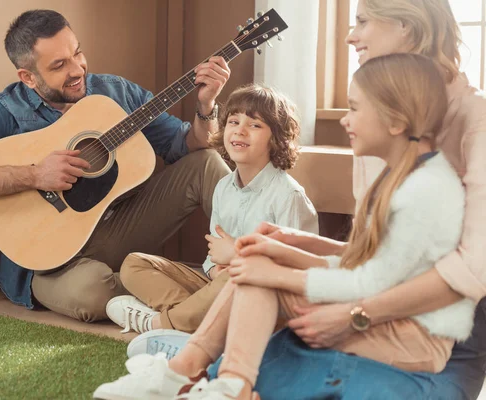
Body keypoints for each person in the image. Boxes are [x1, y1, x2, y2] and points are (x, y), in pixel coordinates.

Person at [93, 53, 476, 400]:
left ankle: (201, 372)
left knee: (261, 273)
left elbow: (373, 282)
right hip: (385, 316)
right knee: (260, 262)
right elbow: (366, 258)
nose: (345, 119)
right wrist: (287, 243)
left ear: (395, 120)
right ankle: (220, 380)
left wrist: (283, 268)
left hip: (413, 340)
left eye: (356, 109)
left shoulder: (427, 191)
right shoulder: (397, 177)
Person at [215, 1, 486, 399]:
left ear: (408, 27)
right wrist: (298, 243)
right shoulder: (377, 124)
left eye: (362, 21)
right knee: (227, 367)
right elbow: (381, 256)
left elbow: (473, 269)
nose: (349, 35)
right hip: (368, 302)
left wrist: (355, 316)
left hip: (441, 338)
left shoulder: (474, 123)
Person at [0, 9, 232, 322]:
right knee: (91, 294)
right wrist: (34, 175)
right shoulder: (4, 112)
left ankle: (254, 267)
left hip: (117, 229)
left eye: (77, 53)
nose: (77, 68)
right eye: (59, 65)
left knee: (206, 163)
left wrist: (206, 106)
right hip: (51, 263)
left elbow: (190, 145)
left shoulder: (115, 92)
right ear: (28, 77)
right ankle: (200, 293)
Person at [103, 84, 318, 347]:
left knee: (236, 275)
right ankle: (199, 321)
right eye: (234, 121)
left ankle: (159, 324)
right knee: (134, 264)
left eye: (255, 125)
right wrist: (215, 269)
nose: (240, 130)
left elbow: (295, 272)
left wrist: (237, 257)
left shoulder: (289, 196)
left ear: (277, 138)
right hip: (218, 287)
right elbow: (214, 255)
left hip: (266, 299)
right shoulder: (223, 188)